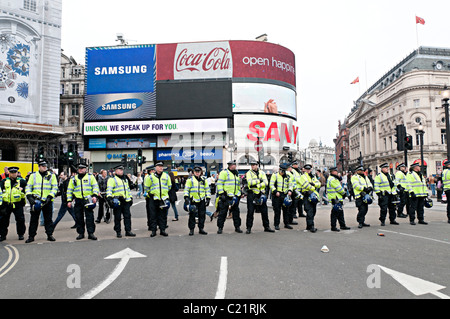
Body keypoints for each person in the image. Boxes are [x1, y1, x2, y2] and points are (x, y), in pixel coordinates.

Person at [25, 159, 58, 243]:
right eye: (43, 166)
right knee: (34, 219)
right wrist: (29, 197)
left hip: (47, 201)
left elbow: (55, 187)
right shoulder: (33, 175)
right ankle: (31, 236)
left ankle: (49, 234)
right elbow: (28, 187)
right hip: (36, 201)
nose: (44, 167)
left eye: (45, 166)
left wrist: (50, 196)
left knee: (48, 219)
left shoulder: (51, 175)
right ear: (39, 167)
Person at [67, 163, 100, 240]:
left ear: (86, 169)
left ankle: (91, 233)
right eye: (79, 168)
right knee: (79, 217)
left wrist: (94, 196)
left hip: (87, 199)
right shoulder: (73, 179)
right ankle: (81, 233)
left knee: (90, 217)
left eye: (82, 168)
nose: (81, 170)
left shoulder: (90, 177)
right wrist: (69, 200)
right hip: (78, 200)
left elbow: (95, 186)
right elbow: (69, 190)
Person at [106, 165, 136, 238]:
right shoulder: (112, 179)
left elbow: (128, 190)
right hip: (118, 201)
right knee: (118, 217)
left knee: (127, 216)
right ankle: (118, 231)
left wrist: (130, 198)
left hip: (126, 201)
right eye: (120, 170)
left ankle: (128, 231)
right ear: (116, 171)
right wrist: (109, 198)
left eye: (122, 170)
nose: (121, 171)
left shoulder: (125, 179)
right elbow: (109, 189)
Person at [245, 161, 274, 234]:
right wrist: (259, 181)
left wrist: (257, 185)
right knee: (250, 212)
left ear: (257, 165)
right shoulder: (249, 173)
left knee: (264, 211)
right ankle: (248, 228)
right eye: (252, 165)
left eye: (254, 165)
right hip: (252, 194)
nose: (253, 166)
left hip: (261, 194)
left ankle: (266, 227)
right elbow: (249, 183)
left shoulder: (262, 173)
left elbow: (266, 182)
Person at [0, 167, 27, 241]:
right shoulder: (4, 181)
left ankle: (21, 234)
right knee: (4, 221)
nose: (14, 174)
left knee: (20, 220)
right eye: (12, 173)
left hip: (18, 203)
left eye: (15, 172)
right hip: (6, 204)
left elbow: (28, 188)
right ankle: (2, 235)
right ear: (9, 173)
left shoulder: (21, 181)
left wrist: (23, 190)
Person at [144, 162, 171, 237]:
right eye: (159, 166)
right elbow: (146, 187)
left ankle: (162, 230)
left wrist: (164, 194)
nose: (161, 168)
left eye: (162, 166)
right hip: (153, 198)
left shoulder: (166, 176)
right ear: (155, 168)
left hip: (163, 199)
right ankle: (153, 230)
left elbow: (169, 186)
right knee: (153, 215)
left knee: (163, 216)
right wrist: (149, 193)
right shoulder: (150, 177)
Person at [216, 160, 242, 234]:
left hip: (235, 196)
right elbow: (219, 183)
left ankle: (237, 227)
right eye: (234, 165)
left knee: (236, 213)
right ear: (230, 166)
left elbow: (237, 185)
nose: (235, 166)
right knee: (223, 213)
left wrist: (239, 193)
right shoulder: (224, 173)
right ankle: (220, 227)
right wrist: (221, 194)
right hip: (226, 196)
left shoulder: (236, 174)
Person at [184, 166, 210, 236]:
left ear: (200, 172)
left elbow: (207, 189)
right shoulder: (190, 180)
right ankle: (191, 229)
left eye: (198, 172)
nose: (197, 173)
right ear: (193, 172)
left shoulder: (204, 180)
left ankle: (201, 229)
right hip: (193, 200)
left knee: (202, 215)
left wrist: (208, 198)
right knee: (192, 215)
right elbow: (186, 189)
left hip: (201, 200)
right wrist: (186, 197)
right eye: (196, 172)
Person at [270, 163, 294, 230]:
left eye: (283, 171)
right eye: (281, 170)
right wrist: (275, 191)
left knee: (286, 211)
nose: (282, 172)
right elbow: (271, 185)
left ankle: (286, 224)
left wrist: (290, 190)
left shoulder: (288, 176)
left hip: (285, 195)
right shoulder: (275, 175)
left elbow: (290, 185)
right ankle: (276, 224)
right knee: (277, 211)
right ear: (279, 169)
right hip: (277, 195)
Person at [326, 167, 350, 232]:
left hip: (335, 198)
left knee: (340, 212)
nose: (337, 172)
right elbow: (338, 188)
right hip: (335, 198)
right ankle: (333, 227)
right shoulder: (333, 179)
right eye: (335, 171)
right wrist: (344, 193)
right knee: (335, 213)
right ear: (332, 172)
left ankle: (342, 225)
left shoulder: (331, 178)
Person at [298, 164, 321, 232]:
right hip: (306, 195)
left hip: (313, 195)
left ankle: (309, 226)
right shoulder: (303, 176)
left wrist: (313, 184)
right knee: (309, 211)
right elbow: (306, 185)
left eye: (309, 169)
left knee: (313, 211)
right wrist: (314, 186)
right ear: (304, 169)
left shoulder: (313, 176)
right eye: (307, 169)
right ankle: (311, 226)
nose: (308, 170)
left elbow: (319, 184)